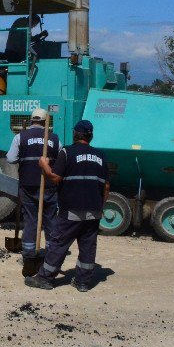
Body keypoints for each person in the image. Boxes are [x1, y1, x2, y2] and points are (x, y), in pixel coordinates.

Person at [26, 119, 108, 292]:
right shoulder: (101, 156)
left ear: (75, 134)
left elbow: (55, 178)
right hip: (94, 211)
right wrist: (100, 206)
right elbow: (106, 186)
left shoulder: (67, 152)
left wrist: (44, 166)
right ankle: (83, 282)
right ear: (91, 136)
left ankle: (45, 278)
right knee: (88, 246)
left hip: (71, 209)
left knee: (58, 243)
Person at [6, 108, 60, 264]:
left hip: (28, 186)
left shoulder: (20, 137)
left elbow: (10, 159)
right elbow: (61, 160)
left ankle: (29, 256)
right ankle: (51, 256)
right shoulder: (55, 139)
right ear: (45, 122)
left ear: (31, 121)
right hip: (49, 187)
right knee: (50, 221)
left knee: (31, 221)